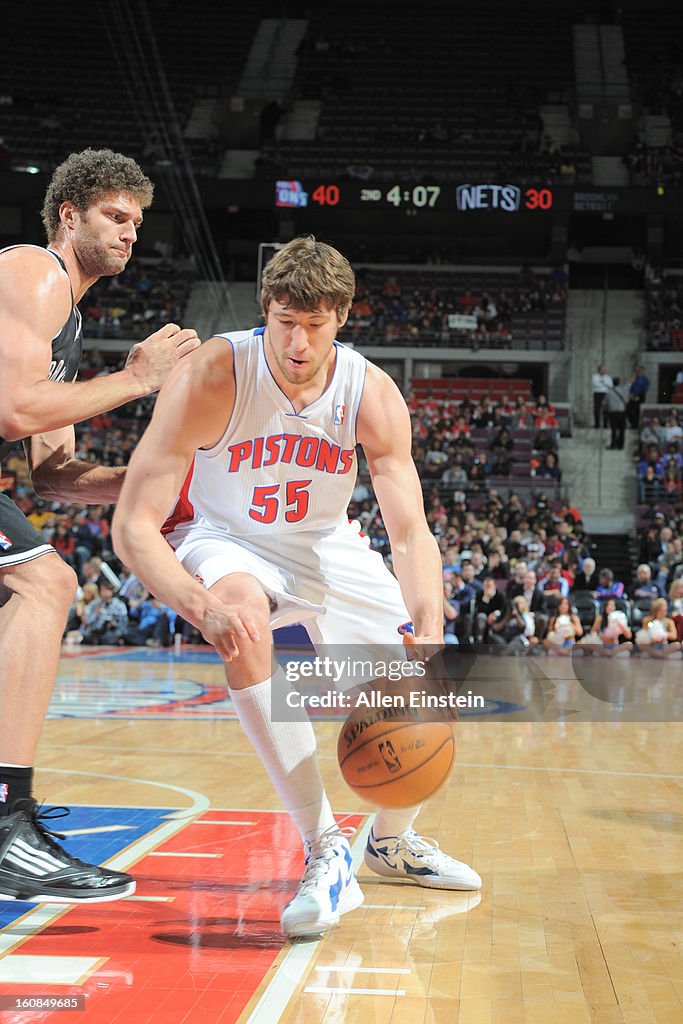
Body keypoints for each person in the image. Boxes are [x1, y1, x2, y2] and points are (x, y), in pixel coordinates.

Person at [113, 235, 482, 939]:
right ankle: (323, 850)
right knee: (244, 619)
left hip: (326, 546)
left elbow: (408, 534)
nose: (298, 339)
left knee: (431, 692)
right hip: (227, 538)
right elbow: (134, 524)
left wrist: (428, 627)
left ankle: (388, 843)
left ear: (341, 317)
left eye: (314, 324)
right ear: (266, 311)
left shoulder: (370, 391)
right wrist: (199, 603)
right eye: (285, 319)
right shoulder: (216, 372)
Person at [0, 149, 199, 903]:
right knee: (43, 583)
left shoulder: (70, 320)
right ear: (68, 215)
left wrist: (160, 479)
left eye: (138, 222)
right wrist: (138, 379)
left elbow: (52, 472)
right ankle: (6, 826)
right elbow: (14, 410)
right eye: (116, 216)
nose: (129, 233)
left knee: (37, 587)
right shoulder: (31, 271)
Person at [603, 376, 630, 450]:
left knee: (614, 430)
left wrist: (605, 411)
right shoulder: (624, 390)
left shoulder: (609, 392)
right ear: (619, 383)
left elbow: (605, 403)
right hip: (622, 412)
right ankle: (621, 445)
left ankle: (613, 445)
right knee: (622, 430)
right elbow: (627, 400)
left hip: (613, 413)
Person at [591, 365, 613, 429]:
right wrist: (604, 384)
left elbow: (610, 386)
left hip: (605, 394)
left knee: (605, 409)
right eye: (602, 370)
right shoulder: (595, 376)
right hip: (597, 393)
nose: (604, 371)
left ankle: (605, 424)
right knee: (597, 409)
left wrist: (603, 382)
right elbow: (596, 385)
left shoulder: (608, 377)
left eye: (604, 370)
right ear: (599, 370)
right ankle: (597, 424)